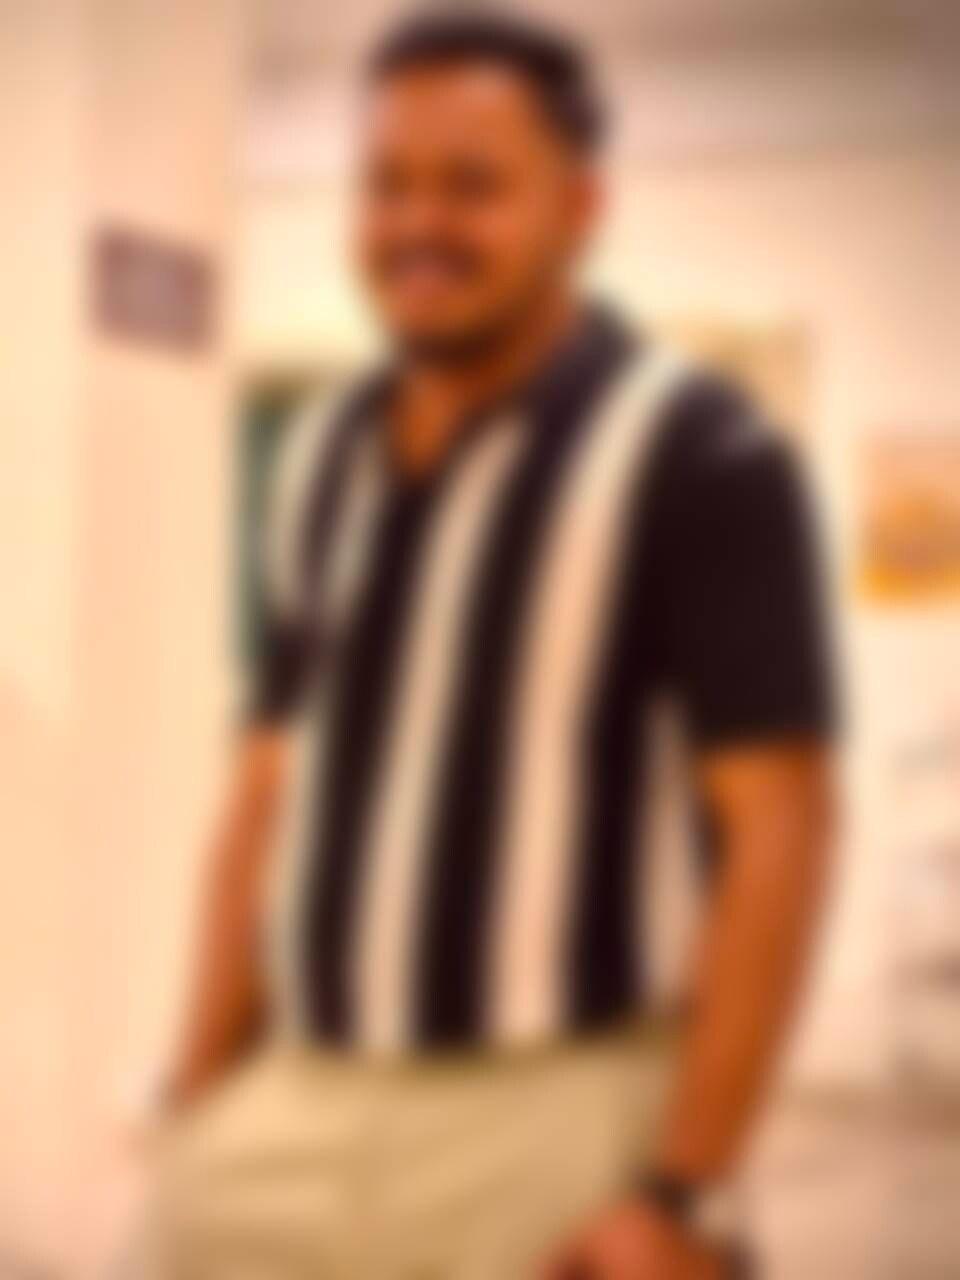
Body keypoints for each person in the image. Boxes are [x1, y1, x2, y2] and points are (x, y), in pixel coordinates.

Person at [149, 10, 834, 1278]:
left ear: (579, 207)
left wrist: (686, 1191)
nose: (418, 224)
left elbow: (779, 824)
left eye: (471, 185)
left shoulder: (700, 450)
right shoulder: (319, 453)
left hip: (560, 1100)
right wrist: (194, 1092)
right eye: (387, 184)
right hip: (299, 1092)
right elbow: (264, 793)